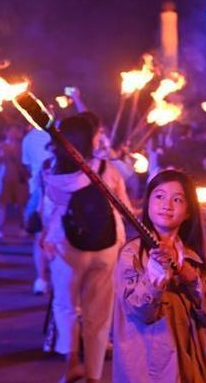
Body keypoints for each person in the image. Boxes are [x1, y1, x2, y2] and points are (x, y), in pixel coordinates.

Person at [41, 115, 131, 383]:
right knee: (99, 314)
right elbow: (124, 207)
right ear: (90, 139)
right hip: (106, 247)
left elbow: (46, 213)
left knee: (66, 305)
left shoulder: (52, 172)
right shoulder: (108, 169)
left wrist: (46, 237)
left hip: (65, 247)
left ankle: (71, 363)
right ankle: (93, 375)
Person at [113, 169, 206, 383]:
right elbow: (141, 312)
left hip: (188, 366)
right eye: (159, 196)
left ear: (189, 211)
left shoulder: (192, 257)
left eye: (177, 199)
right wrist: (156, 275)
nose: (167, 205)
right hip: (148, 369)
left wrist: (192, 279)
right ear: (148, 203)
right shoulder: (132, 254)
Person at [22, 125, 52, 294]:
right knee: (47, 239)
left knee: (41, 238)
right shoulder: (58, 134)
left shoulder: (27, 139)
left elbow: (27, 166)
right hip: (46, 194)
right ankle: (44, 279)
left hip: (39, 192)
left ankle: (41, 279)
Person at [0, 125, 29, 239]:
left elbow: (25, 161)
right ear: (6, 132)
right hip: (5, 177)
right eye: (11, 131)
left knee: (20, 204)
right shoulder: (1, 145)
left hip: (17, 178)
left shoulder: (22, 145)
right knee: (1, 203)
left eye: (15, 131)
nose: (13, 133)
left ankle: (23, 228)